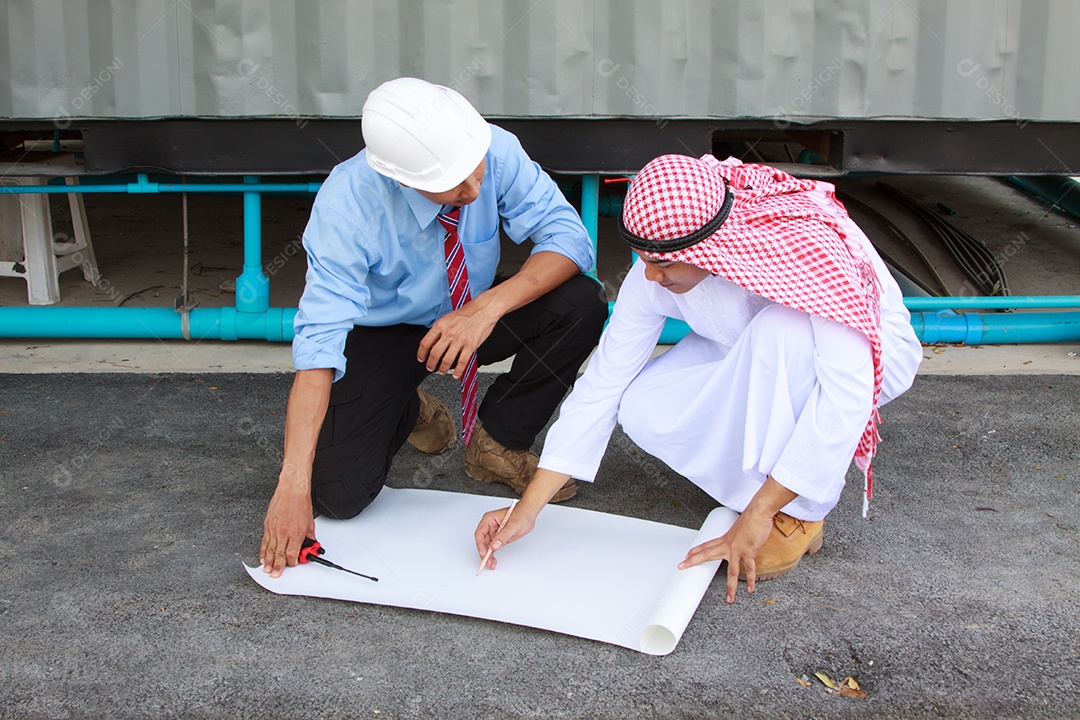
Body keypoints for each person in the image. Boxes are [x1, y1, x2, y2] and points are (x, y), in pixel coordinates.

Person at [475, 153, 923, 603]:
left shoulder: (809, 255)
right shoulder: (664, 264)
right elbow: (603, 384)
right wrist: (527, 508)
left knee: (779, 333)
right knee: (642, 406)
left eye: (663, 263)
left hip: (858, 361)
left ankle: (798, 514)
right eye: (644, 259)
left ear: (709, 246)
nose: (650, 274)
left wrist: (759, 512)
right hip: (750, 345)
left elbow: (847, 394)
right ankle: (758, 490)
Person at [260, 78, 607, 577]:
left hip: (475, 313)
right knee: (337, 495)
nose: (473, 189)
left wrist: (485, 309)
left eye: (475, 171)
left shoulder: (491, 147)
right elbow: (318, 349)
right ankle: (404, 403)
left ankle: (499, 440)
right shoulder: (345, 207)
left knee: (582, 302)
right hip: (385, 332)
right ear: (401, 179)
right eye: (452, 184)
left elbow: (570, 239)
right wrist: (291, 484)